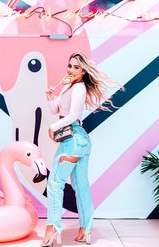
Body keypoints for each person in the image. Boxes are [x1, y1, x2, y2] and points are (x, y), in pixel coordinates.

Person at [41, 52, 119, 246]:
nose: (71, 69)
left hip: (73, 139)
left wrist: (53, 127)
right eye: (70, 65)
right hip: (79, 140)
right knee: (80, 186)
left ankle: (52, 228)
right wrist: (51, 98)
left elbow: (74, 115)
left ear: (83, 70)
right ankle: (85, 229)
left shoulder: (80, 88)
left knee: (55, 183)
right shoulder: (68, 86)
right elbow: (57, 110)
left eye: (76, 67)